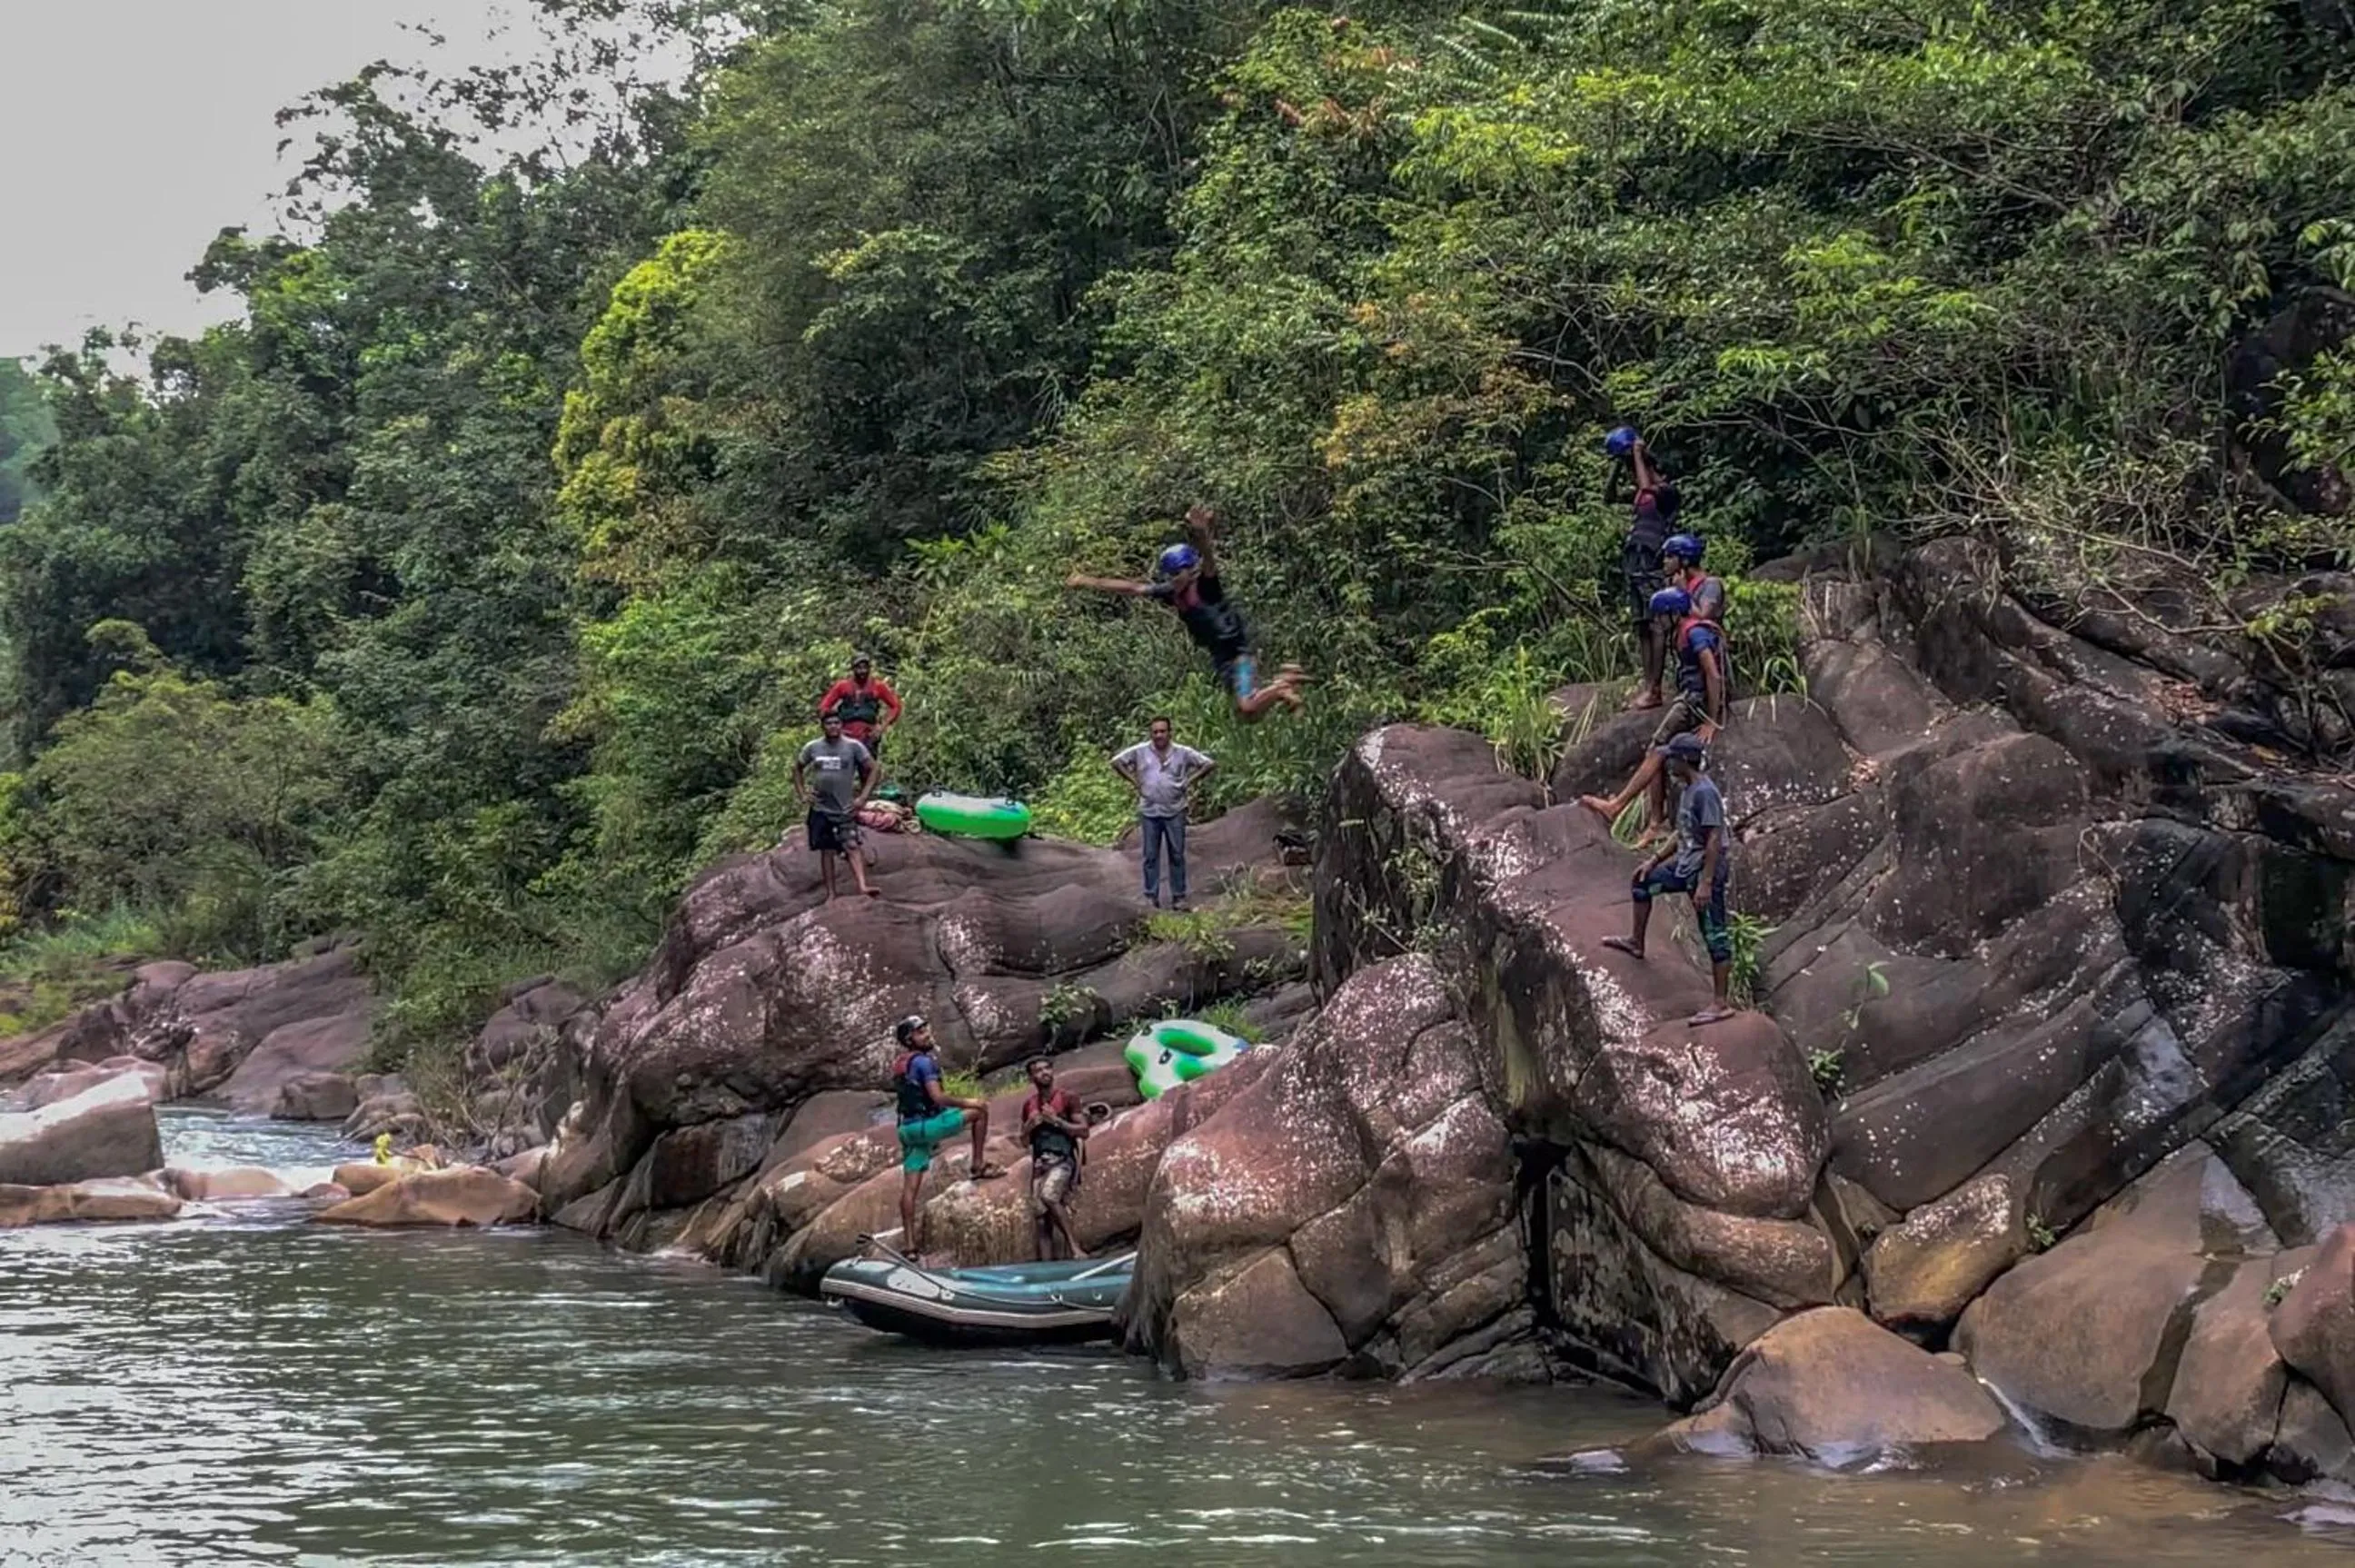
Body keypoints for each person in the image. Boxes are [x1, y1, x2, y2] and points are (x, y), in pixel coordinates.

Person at [1065, 504, 1307, 721]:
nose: (1173, 580)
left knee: (1247, 706)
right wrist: (1088, 580)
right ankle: (1285, 682)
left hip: (1238, 655)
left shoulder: (1206, 586)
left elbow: (1209, 559)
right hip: (1222, 659)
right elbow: (1132, 587)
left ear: (1188, 569)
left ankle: (1282, 686)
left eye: (1176, 574)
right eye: (1170, 576)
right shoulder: (1171, 593)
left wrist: (1201, 532)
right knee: (1248, 716)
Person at [1602, 733, 1739, 1027]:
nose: (1667, 763)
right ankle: (1636, 942)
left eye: (1671, 758)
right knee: (1642, 882)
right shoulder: (1689, 790)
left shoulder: (1705, 792)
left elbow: (1714, 838)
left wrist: (1705, 882)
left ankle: (1720, 1003)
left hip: (1705, 871)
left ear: (1683, 761)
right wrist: (1654, 860)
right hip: (1685, 866)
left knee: (1713, 931)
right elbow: (1682, 832)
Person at [1576, 585, 1727, 837]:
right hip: (1690, 696)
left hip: (1694, 701)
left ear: (1672, 614)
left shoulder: (1695, 633)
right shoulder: (1686, 629)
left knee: (1657, 748)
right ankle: (1655, 822)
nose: (1657, 622)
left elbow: (1712, 674)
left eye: (1660, 616)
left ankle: (1622, 807)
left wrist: (1711, 720)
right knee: (1658, 749)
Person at [891, 1015, 1005, 1254]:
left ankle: (910, 1246)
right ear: (910, 1039)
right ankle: (978, 1164)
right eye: (920, 1032)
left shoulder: (901, 1063)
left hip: (906, 1130)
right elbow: (938, 1097)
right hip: (926, 1126)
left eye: (926, 1029)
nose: (928, 1034)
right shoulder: (923, 1062)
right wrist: (968, 1101)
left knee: (910, 1187)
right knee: (979, 1112)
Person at [1111, 717, 1215, 909]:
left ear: (1170, 732)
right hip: (1150, 810)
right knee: (1150, 855)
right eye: (1155, 732)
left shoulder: (1183, 753)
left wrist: (1189, 781)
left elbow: (1208, 764)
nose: (1159, 735)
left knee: (1176, 854)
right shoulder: (1140, 751)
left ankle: (1179, 897)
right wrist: (1135, 782)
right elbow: (1116, 762)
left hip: (1175, 809)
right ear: (1151, 734)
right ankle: (1151, 896)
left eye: (1162, 731)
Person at [1613, 434, 1682, 710]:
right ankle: (1647, 686)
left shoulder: (1667, 493)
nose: (1635, 478)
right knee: (1641, 623)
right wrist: (1619, 463)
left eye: (1637, 471)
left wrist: (1640, 455)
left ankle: (1655, 688)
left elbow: (1646, 485)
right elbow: (1609, 496)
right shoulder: (1641, 494)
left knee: (1656, 623)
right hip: (1634, 559)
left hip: (1651, 557)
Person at [794, 711, 879, 899]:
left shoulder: (853, 746)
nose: (833, 726)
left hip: (844, 806)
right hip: (820, 807)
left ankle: (863, 886)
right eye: (829, 723)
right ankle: (831, 894)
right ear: (822, 726)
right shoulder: (813, 747)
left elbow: (873, 769)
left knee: (851, 844)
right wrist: (802, 793)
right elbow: (798, 768)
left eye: (836, 723)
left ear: (841, 725)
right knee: (827, 850)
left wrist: (863, 797)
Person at [1020, 1056, 1090, 1261]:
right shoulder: (1029, 1105)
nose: (1044, 1073)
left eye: (1047, 1069)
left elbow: (1084, 1131)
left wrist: (1057, 1121)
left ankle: (1075, 1247)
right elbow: (1024, 1141)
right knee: (1041, 1218)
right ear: (1031, 1077)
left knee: (1049, 1196)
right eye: (1038, 1071)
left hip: (1062, 1160)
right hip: (1040, 1164)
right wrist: (1028, 1127)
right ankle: (1046, 1266)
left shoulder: (1068, 1098)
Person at [818, 654, 902, 758]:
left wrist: (882, 727)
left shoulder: (878, 686)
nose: (862, 671)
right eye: (859, 668)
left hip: (868, 734)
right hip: (846, 734)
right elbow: (824, 707)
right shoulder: (842, 686)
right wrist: (833, 728)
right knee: (845, 766)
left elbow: (895, 706)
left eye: (865, 668)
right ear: (853, 669)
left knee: (868, 767)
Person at [1662, 532, 1725, 623]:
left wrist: (1683, 592)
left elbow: (1703, 618)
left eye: (1670, 557)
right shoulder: (1681, 582)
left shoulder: (1711, 584)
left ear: (1685, 560)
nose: (1665, 561)